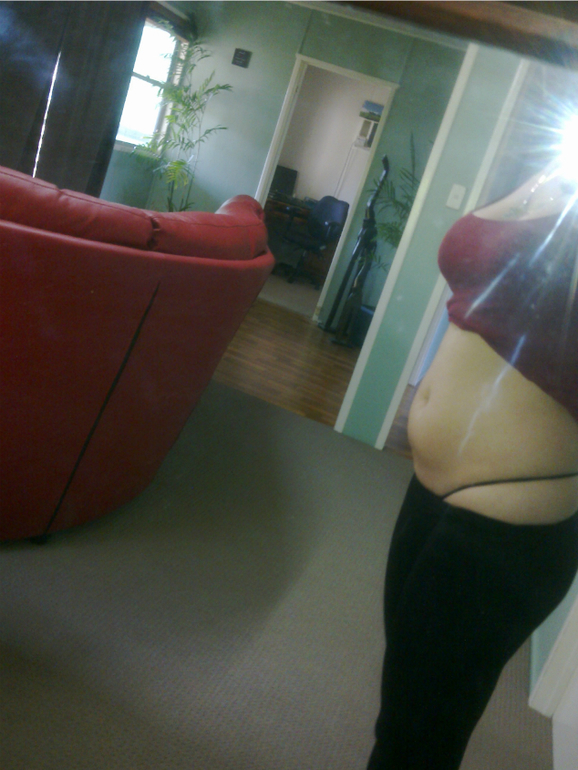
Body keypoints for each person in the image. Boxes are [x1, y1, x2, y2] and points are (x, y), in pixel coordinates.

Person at [366, 160, 578, 770]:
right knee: (403, 710)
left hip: (508, 519)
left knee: (418, 739)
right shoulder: (546, 163)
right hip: (428, 491)